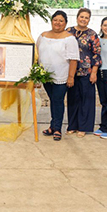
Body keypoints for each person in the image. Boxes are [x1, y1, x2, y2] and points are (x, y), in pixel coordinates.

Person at [37, 11, 80, 141]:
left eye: (61, 20)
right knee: (53, 100)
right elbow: (36, 54)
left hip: (61, 76)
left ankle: (57, 129)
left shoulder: (69, 38)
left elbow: (73, 59)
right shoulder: (43, 36)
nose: (58, 23)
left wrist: (71, 77)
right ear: (51, 21)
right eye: (55, 20)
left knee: (57, 100)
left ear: (65, 23)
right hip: (46, 76)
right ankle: (52, 126)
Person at [66, 8, 101, 137]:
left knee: (86, 100)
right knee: (72, 99)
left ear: (89, 19)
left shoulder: (92, 34)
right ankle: (72, 125)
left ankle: (83, 127)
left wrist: (94, 72)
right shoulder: (68, 32)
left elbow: (96, 54)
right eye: (81, 17)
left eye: (86, 17)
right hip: (70, 71)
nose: (83, 19)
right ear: (77, 17)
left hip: (87, 71)